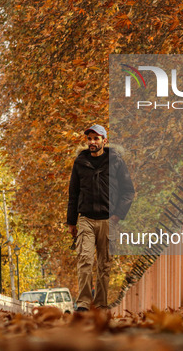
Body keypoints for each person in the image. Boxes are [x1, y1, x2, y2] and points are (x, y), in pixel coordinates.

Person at [67, 124, 135, 311]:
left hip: (108, 220)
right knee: (85, 260)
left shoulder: (116, 162)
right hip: (86, 219)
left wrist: (116, 216)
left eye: (96, 138)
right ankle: (82, 304)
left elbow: (128, 191)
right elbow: (73, 193)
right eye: (89, 138)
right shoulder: (80, 163)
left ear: (104, 140)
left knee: (104, 264)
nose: (92, 142)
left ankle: (101, 303)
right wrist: (71, 222)